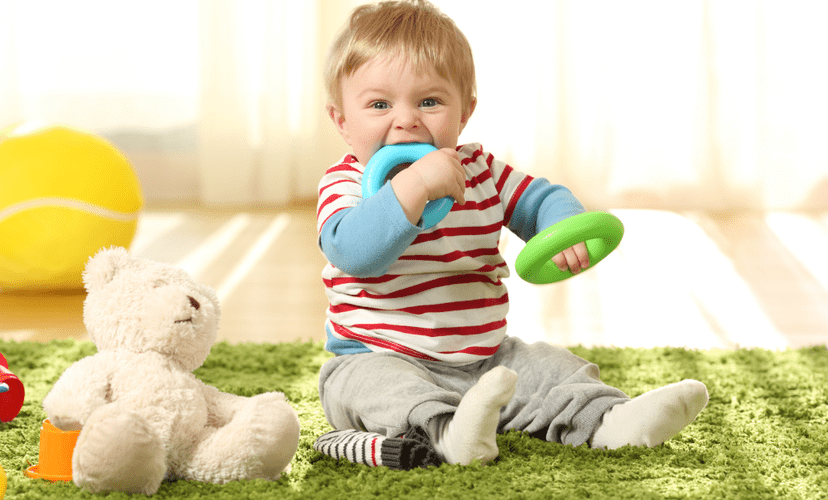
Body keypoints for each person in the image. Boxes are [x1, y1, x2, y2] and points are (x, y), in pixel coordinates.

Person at [315, 0, 708, 466]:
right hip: (378, 355)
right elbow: (354, 251)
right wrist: (414, 186)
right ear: (342, 121)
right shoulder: (345, 185)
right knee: (366, 389)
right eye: (379, 104)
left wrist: (563, 228)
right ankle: (445, 434)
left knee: (551, 367)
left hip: (485, 358)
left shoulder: (480, 172)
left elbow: (542, 198)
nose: (407, 120)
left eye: (430, 101)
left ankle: (610, 421)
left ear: (464, 112)